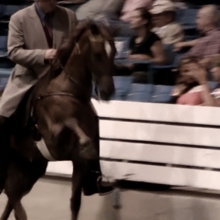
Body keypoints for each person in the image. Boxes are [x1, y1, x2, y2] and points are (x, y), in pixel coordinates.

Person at [0, 0, 112, 195]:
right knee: (3, 116)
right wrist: (44, 54)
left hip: (61, 79)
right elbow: (14, 52)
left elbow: (78, 48)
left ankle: (93, 177)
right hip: (29, 77)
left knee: (93, 119)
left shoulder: (68, 16)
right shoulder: (19, 18)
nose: (55, 2)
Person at [116, 7, 165, 82]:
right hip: (133, 70)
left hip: (147, 72)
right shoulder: (133, 39)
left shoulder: (152, 38)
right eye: (132, 17)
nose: (131, 20)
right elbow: (130, 58)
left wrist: (147, 58)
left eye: (135, 17)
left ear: (144, 21)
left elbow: (162, 60)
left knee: (136, 76)